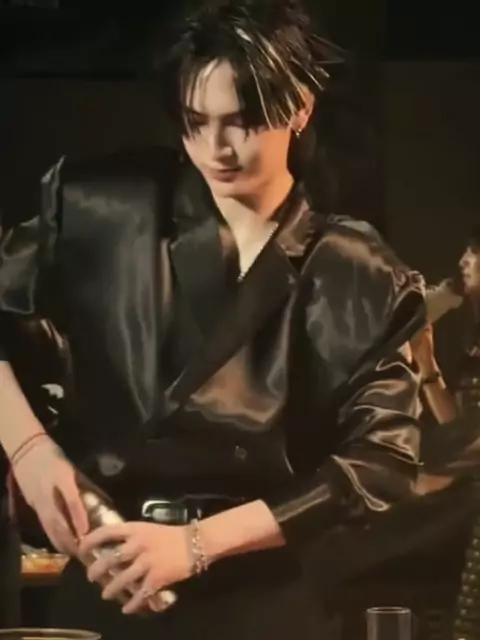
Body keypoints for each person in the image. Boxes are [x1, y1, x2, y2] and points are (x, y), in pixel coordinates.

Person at [0, 1, 427, 638]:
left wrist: (195, 544)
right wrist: (30, 451)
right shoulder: (106, 207)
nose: (216, 149)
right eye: (195, 122)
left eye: (242, 123)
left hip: (264, 599)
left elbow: (382, 463)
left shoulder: (356, 271)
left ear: (300, 107)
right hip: (110, 577)